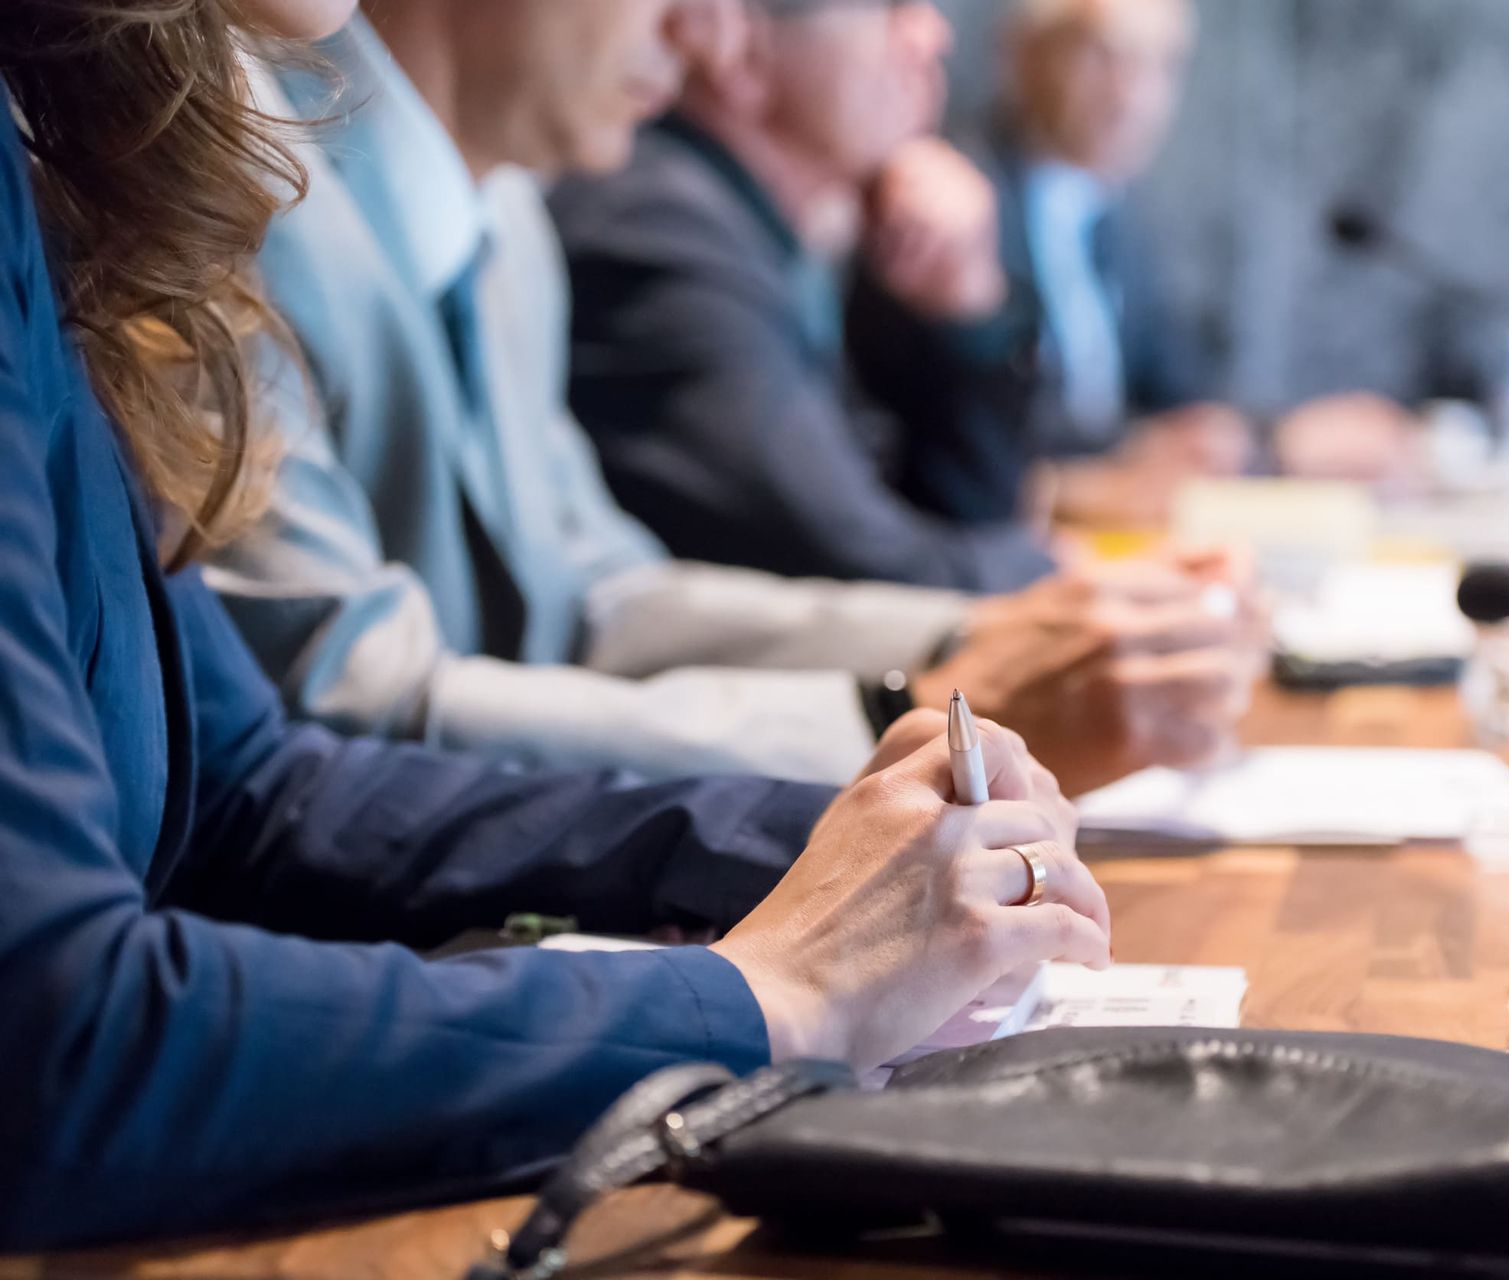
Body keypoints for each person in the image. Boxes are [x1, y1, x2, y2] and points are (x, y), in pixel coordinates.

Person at [0, 0, 1108, 1249]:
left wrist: (812, 838)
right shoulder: (258, 185)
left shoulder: (59, 149)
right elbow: (51, 1040)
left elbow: (252, 787)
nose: (695, 31)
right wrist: (762, 998)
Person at [212, 0, 1255, 794]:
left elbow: (601, 595)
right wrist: (912, 703)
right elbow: (340, 709)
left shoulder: (512, 218)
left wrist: (978, 635)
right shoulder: (233, 197)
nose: (699, 32)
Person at [552, 0, 1075, 590]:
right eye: (892, 8)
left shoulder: (802, 235)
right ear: (745, 54)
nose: (934, 34)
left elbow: (946, 512)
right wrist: (1059, 574)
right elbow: (858, 570)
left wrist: (963, 306)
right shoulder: (654, 226)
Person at [862, 0, 1412, 530]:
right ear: (1023, 54)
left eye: (1159, 65)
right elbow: (977, 433)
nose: (1132, 96)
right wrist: (1129, 457)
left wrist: (1275, 440)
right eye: (1102, 56)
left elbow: (1179, 397)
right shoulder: (954, 200)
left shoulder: (1119, 216)